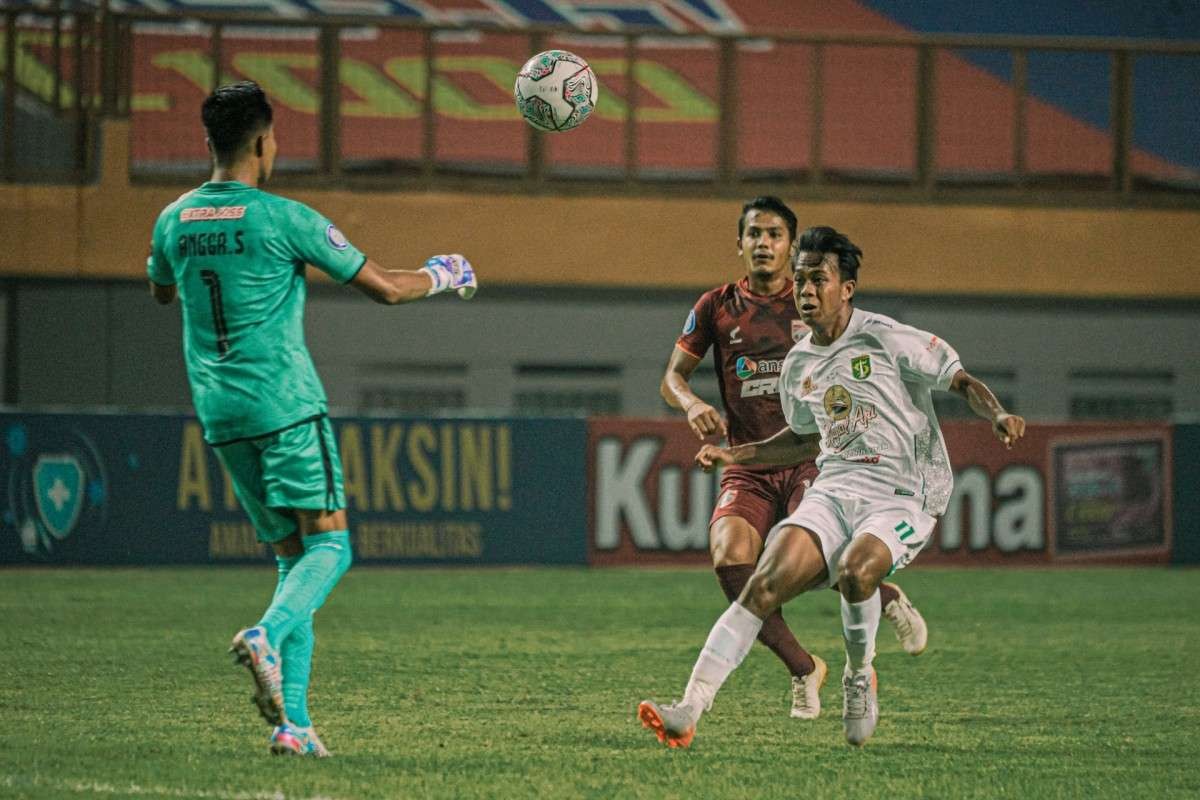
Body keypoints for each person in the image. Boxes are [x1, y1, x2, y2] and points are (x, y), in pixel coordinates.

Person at [146, 81, 477, 757]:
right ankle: (264, 636)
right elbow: (384, 287)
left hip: (220, 413)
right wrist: (444, 274)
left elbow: (160, 288)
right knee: (332, 547)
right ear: (265, 143)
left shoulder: (173, 219)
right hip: (286, 405)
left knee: (291, 559)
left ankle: (293, 726)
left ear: (209, 143)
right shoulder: (285, 217)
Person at [640, 225, 1025, 748]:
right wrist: (737, 453)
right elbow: (802, 440)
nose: (805, 290)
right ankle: (688, 709)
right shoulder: (799, 362)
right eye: (800, 280)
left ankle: (858, 674)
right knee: (763, 584)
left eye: (818, 279)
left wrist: (998, 413)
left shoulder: (887, 337)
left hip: (903, 493)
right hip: (835, 487)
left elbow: (959, 380)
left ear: (846, 288)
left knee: (856, 570)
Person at [660, 198, 927, 721]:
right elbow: (672, 376)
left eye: (775, 235)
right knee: (731, 561)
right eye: (754, 234)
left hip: (814, 458)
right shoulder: (716, 306)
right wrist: (693, 403)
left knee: (802, 566)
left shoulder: (815, 301)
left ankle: (877, 588)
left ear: (791, 245)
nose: (763, 243)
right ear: (739, 243)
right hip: (748, 459)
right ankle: (805, 667)